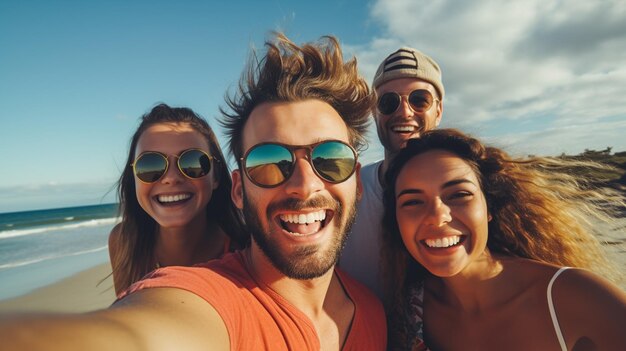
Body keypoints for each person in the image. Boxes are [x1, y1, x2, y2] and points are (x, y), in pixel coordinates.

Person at [0, 33, 386, 351]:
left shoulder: (373, 312)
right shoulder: (190, 281)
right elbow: (139, 331)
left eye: (330, 158)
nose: (304, 183)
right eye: (270, 161)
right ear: (239, 188)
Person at [382, 129, 626, 350]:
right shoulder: (410, 311)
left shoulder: (575, 296)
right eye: (412, 201)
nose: (437, 217)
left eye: (459, 195)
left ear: (489, 206)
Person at [108, 103, 248, 296]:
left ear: (215, 176)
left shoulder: (246, 247)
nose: (171, 177)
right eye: (150, 165)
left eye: (191, 162)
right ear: (134, 179)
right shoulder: (124, 241)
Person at [341, 47, 445, 298]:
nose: (405, 112)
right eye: (388, 102)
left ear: (438, 111)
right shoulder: (349, 188)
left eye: (420, 99)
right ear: (374, 113)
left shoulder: (465, 196)